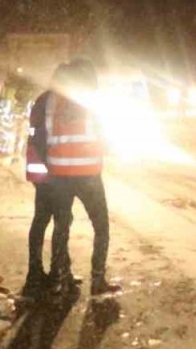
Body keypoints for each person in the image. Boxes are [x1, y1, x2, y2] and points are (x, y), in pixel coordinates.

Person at [45, 59, 121, 298]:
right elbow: (105, 138)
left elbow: (46, 133)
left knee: (61, 227)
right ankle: (97, 279)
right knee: (101, 227)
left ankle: (62, 277)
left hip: (59, 176)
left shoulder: (52, 101)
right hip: (87, 175)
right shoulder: (92, 101)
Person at [21, 65, 77, 297]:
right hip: (55, 170)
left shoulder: (42, 100)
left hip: (40, 168)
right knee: (62, 219)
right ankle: (59, 273)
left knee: (41, 219)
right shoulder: (63, 103)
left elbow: (36, 135)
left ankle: (35, 273)